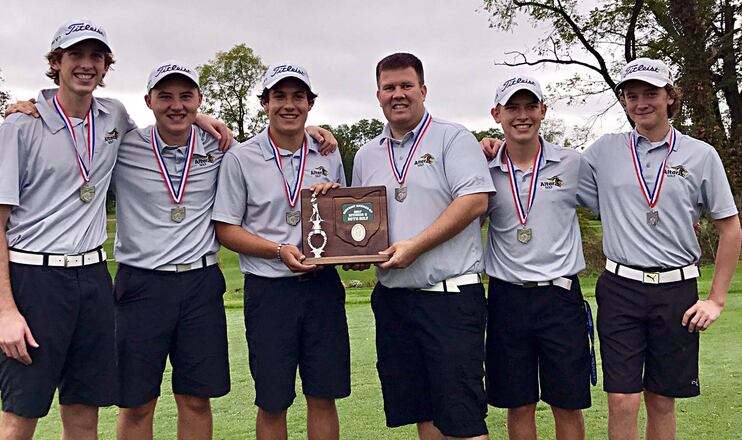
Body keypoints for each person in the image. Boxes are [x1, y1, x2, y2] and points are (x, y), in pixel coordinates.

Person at [0, 19, 134, 440]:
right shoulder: (20, 125)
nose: (86, 64)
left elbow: (164, 134)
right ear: (56, 62)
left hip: (93, 279)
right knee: (21, 415)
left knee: (84, 412)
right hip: (34, 280)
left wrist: (204, 118)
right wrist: (6, 311)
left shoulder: (115, 116)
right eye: (75, 55)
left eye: (96, 57)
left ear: (106, 66)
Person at [579, 58, 742, 440]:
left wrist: (716, 300)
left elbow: (730, 228)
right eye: (632, 95)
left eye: (650, 93)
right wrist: (498, 148)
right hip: (620, 288)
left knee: (661, 400)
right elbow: (549, 171)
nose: (641, 103)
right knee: (622, 400)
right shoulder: (604, 151)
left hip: (676, 291)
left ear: (670, 96)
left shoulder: (701, 154)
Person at [350, 52, 494, 440]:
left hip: (449, 298)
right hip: (394, 300)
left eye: (406, 86)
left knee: (463, 418)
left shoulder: (453, 138)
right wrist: (358, 254)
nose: (398, 94)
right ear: (378, 95)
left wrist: (415, 246)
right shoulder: (366, 154)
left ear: (423, 90)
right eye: (389, 87)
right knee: (423, 411)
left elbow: (474, 201)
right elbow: (364, 221)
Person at [214, 62, 349, 440]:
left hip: (322, 287)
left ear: (310, 104)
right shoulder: (241, 157)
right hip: (269, 291)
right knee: (273, 401)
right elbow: (226, 228)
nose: (289, 105)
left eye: (298, 97)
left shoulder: (327, 152)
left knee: (323, 396)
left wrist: (337, 203)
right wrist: (277, 250)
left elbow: (342, 218)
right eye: (279, 97)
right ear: (265, 103)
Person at [111, 61, 232, 440]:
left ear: (199, 99)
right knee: (136, 403)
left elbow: (271, 151)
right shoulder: (123, 145)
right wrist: (31, 107)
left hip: (200, 284)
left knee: (196, 400)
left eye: (185, 97)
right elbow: (80, 128)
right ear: (148, 101)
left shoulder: (219, 146)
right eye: (165, 97)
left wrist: (312, 133)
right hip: (141, 286)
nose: (176, 105)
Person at [483, 75, 592, 440]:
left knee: (567, 402)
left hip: (560, 296)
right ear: (497, 114)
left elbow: (616, 202)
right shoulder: (483, 169)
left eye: (530, 106)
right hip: (506, 297)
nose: (522, 115)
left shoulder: (572, 163)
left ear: (543, 110)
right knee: (519, 403)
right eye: (512, 107)